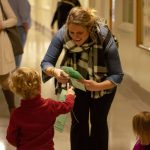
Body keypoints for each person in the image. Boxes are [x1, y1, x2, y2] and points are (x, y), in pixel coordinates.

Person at [41, 7, 124, 150]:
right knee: (78, 124)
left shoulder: (103, 35)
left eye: (80, 33)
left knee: (98, 123)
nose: (75, 37)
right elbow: (46, 63)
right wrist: (56, 72)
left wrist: (98, 86)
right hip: (75, 85)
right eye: (72, 32)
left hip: (103, 86)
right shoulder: (63, 33)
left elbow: (117, 75)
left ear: (90, 28)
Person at [6, 67, 75, 150]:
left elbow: (11, 138)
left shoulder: (17, 114)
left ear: (17, 91)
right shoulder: (50, 105)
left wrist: (22, 145)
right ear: (39, 87)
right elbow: (67, 106)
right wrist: (70, 95)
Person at [0, 0, 17, 114]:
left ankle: (13, 111)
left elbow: (13, 19)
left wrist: (3, 24)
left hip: (1, 46)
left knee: (5, 81)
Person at [8, 0, 31, 67]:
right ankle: (15, 74)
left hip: (11, 27)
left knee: (12, 53)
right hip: (19, 28)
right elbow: (23, 13)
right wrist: (26, 27)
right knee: (18, 54)